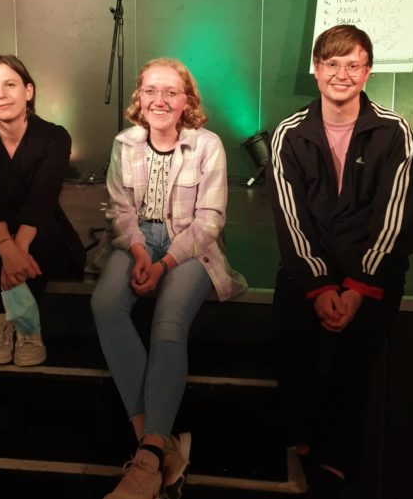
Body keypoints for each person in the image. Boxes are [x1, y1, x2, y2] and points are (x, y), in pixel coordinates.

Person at [266, 25, 413, 499]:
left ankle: (335, 464)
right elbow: (290, 219)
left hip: (371, 268)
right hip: (309, 264)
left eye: (353, 65)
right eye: (331, 64)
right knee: (291, 339)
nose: (342, 74)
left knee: (354, 357)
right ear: (315, 69)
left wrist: (356, 288)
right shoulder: (288, 134)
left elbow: (393, 219)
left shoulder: (394, 131)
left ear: (368, 72)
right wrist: (319, 286)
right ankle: (301, 440)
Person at [91, 57, 247, 499]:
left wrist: (163, 265)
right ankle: (159, 448)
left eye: (170, 92)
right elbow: (120, 211)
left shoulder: (207, 145)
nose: (159, 100)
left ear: (186, 102)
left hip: (191, 245)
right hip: (137, 241)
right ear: (139, 98)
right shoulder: (124, 144)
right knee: (105, 305)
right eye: (150, 91)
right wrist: (141, 252)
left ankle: (145, 461)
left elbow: (209, 221)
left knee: (168, 322)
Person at [0, 54, 86, 367]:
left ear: (28, 91)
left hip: (38, 224)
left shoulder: (55, 136)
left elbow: (42, 199)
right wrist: (6, 247)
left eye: (10, 85)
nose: (1, 94)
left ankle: (27, 327)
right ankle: (3, 319)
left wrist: (18, 250)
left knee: (44, 242)